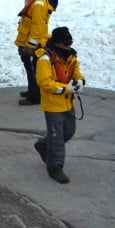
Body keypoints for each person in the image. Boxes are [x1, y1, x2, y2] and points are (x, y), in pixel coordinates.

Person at [33, 26, 85, 184]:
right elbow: (43, 82)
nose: (69, 46)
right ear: (57, 44)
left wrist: (80, 81)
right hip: (53, 105)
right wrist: (66, 88)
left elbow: (76, 73)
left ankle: (43, 145)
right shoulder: (45, 59)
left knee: (69, 132)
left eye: (70, 43)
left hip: (68, 103)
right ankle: (55, 167)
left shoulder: (71, 57)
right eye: (66, 44)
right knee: (56, 138)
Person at [15, 0, 55, 105]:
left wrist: (30, 45)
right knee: (29, 67)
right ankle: (32, 90)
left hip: (32, 42)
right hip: (27, 38)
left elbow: (37, 27)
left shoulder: (39, 4)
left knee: (33, 68)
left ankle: (35, 96)